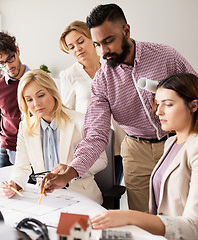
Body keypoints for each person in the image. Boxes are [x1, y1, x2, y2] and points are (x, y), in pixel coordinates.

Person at [42, 3, 198, 212]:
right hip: (135, 151)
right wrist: (70, 172)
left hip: (177, 143)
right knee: (142, 215)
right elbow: (96, 135)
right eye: (97, 44)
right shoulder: (102, 81)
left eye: (108, 41)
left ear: (126, 31)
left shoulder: (165, 56)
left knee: (182, 210)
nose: (104, 51)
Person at [91, 73, 198, 240]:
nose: (158, 111)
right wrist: (122, 223)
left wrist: (129, 216)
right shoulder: (171, 143)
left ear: (194, 105)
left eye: (168, 104)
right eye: (157, 104)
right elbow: (163, 211)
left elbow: (194, 228)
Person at [0, 69, 107, 204]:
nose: (36, 104)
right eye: (29, 100)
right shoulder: (25, 127)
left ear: (53, 92)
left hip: (82, 197)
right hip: (47, 200)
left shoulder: (81, 121)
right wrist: (15, 184)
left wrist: (70, 169)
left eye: (41, 95)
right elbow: (21, 167)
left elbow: (102, 160)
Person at [59, 20, 125, 184]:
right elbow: (65, 113)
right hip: (91, 143)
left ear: (92, 39)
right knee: (94, 190)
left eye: (81, 41)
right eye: (71, 47)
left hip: (120, 140)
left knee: (114, 188)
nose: (77, 49)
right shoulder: (69, 75)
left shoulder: (114, 66)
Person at [0, 31, 30, 167]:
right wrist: (0, 144)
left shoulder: (38, 80)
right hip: (7, 151)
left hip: (35, 148)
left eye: (10, 58)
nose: (8, 66)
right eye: (1, 63)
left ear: (17, 51)